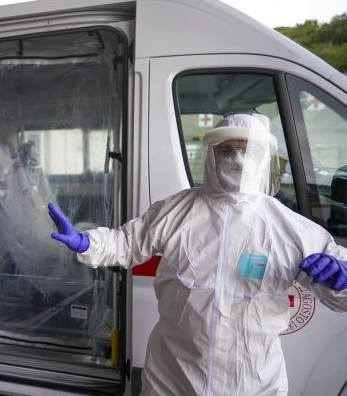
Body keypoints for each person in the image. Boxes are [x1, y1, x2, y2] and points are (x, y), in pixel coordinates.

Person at [48, 114, 347, 395]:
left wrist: (341, 281)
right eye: (227, 150)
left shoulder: (289, 228)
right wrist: (87, 243)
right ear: (212, 154)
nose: (237, 159)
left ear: (263, 158)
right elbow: (127, 242)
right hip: (172, 378)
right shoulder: (178, 210)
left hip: (251, 383)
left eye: (246, 151)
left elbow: (340, 289)